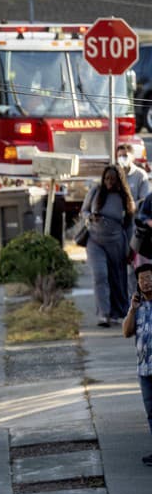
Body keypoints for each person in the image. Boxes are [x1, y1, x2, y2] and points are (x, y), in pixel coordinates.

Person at [81, 164, 135, 327]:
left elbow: (129, 226)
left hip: (117, 244)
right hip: (95, 242)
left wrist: (130, 249)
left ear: (119, 180)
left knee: (117, 279)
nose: (109, 182)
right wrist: (90, 217)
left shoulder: (125, 198)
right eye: (106, 179)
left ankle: (117, 313)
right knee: (100, 275)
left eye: (112, 179)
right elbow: (83, 211)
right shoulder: (96, 192)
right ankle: (103, 314)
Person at [122, 263, 152, 466]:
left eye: (149, 278)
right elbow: (126, 332)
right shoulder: (138, 307)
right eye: (142, 280)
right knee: (151, 414)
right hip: (145, 370)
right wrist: (132, 310)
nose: (146, 282)